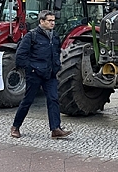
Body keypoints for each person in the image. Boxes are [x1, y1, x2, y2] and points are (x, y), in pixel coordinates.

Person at [10, 10, 72, 139]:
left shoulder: (54, 36)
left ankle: (55, 129)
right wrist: (32, 69)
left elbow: (56, 52)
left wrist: (56, 66)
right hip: (35, 74)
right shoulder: (31, 36)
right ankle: (15, 126)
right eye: (49, 20)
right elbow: (20, 56)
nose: (52, 23)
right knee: (27, 101)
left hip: (50, 74)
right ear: (41, 21)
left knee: (53, 99)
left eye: (54, 21)